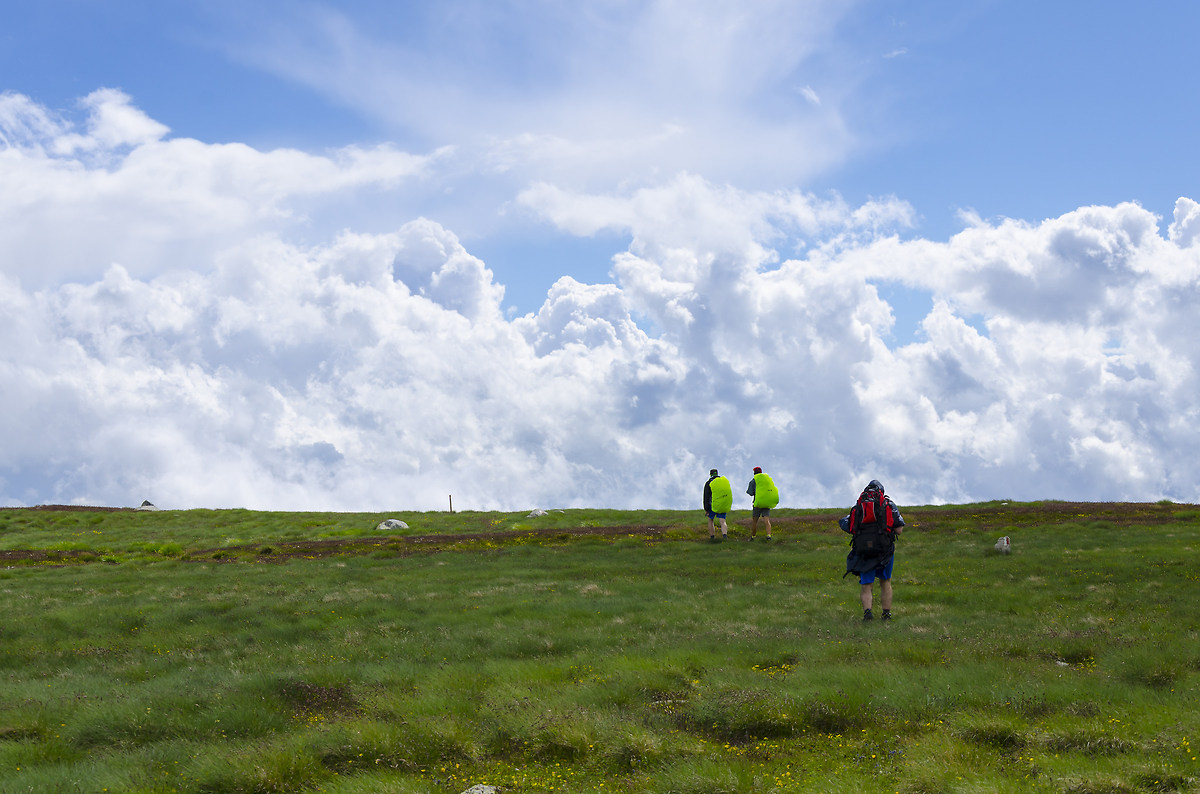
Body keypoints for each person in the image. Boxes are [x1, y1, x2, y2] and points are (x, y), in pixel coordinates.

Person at [840, 479, 905, 621]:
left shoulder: (858, 506)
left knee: (866, 585)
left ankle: (867, 614)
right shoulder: (889, 505)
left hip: (864, 552)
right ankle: (886, 614)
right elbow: (899, 530)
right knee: (885, 582)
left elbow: (848, 526)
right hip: (884, 551)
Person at [745, 466, 779, 540]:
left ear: (754, 473)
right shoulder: (767, 479)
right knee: (766, 519)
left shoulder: (753, 481)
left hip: (758, 503)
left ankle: (753, 537)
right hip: (767, 502)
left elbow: (750, 493)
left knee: (755, 520)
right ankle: (769, 535)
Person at [702, 468, 732, 541]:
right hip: (722, 504)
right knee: (722, 520)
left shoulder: (708, 483)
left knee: (710, 520)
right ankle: (724, 536)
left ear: (710, 474)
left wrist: (706, 509)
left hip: (712, 505)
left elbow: (706, 496)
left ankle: (712, 537)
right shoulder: (722, 481)